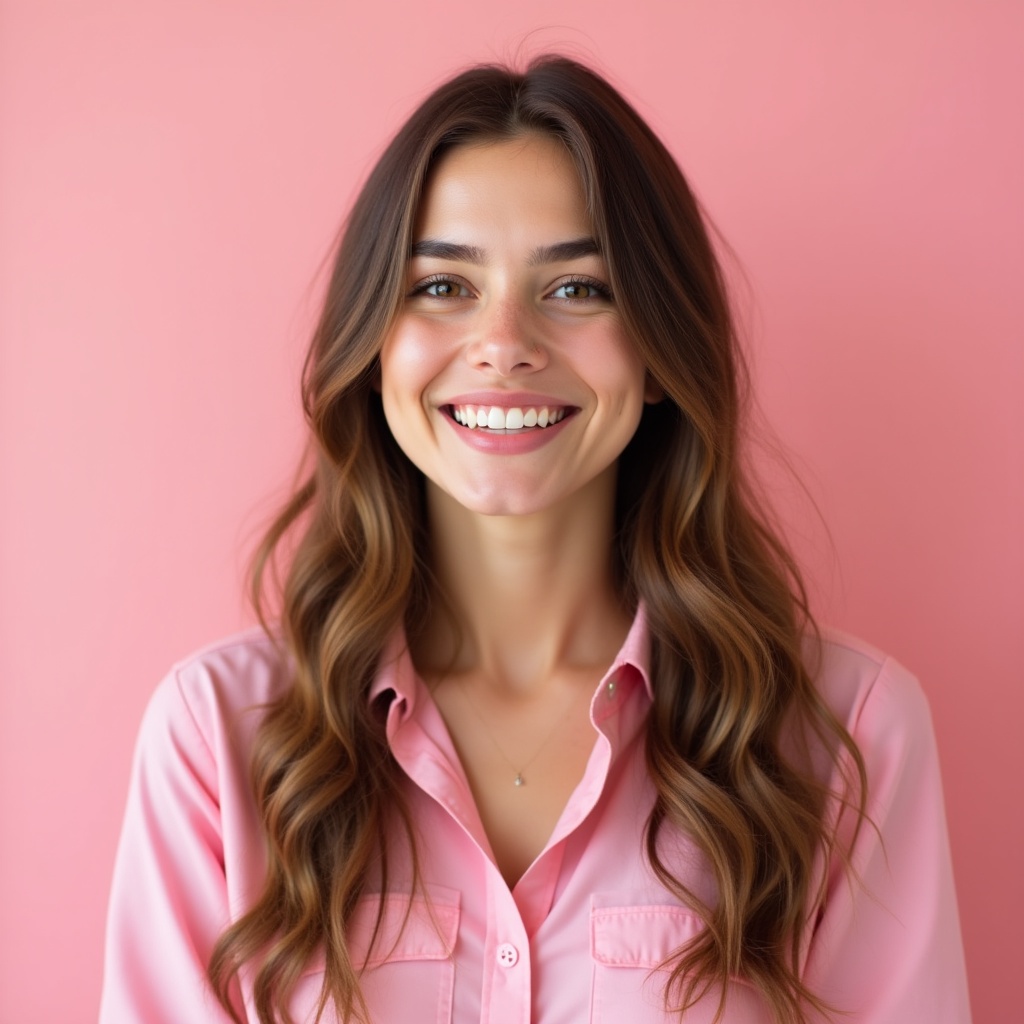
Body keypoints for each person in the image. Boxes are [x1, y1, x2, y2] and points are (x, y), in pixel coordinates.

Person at [99, 56, 971, 1024]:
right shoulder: (219, 738)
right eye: (441, 286)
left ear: (656, 356)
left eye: (576, 289)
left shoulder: (847, 735)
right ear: (373, 347)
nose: (504, 340)